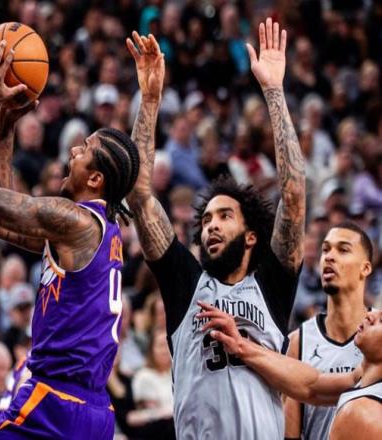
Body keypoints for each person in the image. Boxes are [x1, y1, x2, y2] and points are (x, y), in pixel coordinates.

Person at [125, 20, 305, 438]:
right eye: (205, 220)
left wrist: (274, 92)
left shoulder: (271, 286)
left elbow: (294, 194)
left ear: (252, 235)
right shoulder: (186, 283)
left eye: (225, 216)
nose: (211, 226)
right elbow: (139, 194)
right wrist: (149, 100)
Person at [0, 38, 139, 439]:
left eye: (85, 149)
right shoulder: (97, 232)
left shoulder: (74, 221)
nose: (74, 150)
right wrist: (7, 125)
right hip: (94, 411)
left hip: (55, 403)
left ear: (96, 179)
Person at [198, 307, 382, 440]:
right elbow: (312, 385)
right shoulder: (362, 378)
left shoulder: (360, 414)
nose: (370, 314)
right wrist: (241, 346)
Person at [284, 222, 373, 440]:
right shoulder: (299, 342)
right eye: (325, 250)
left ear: (365, 268)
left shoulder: (378, 333)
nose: (329, 257)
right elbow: (290, 435)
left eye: (343, 250)